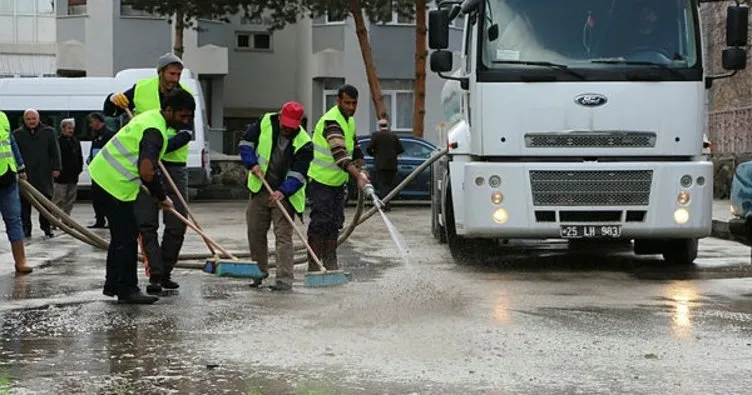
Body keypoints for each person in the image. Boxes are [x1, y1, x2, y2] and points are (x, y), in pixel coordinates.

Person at [88, 89, 195, 304]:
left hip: (108, 177)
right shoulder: (155, 130)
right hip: (112, 182)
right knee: (127, 237)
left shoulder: (152, 118)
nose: (185, 122)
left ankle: (113, 284)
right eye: (182, 116)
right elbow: (147, 170)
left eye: (188, 117)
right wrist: (161, 196)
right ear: (169, 110)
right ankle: (127, 289)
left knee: (121, 236)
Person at [104, 52, 193, 294]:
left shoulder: (185, 96)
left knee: (177, 222)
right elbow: (110, 110)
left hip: (173, 165)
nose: (175, 79)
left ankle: (166, 270)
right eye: (172, 73)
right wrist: (114, 100)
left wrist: (162, 147)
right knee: (146, 223)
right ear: (161, 72)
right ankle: (155, 274)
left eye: (178, 74)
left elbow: (186, 133)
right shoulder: (141, 89)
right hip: (144, 166)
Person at [239, 101, 313, 291]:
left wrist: (283, 191)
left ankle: (284, 279)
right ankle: (258, 272)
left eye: (292, 127)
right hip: (259, 188)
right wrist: (251, 163)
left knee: (283, 238)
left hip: (285, 195)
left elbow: (299, 173)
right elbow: (246, 143)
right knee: (255, 232)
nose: (287, 130)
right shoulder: (265, 122)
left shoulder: (304, 143)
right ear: (280, 117)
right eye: (285, 125)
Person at [307, 84, 369, 272]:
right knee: (320, 222)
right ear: (338, 101)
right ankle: (315, 266)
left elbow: (355, 147)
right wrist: (357, 176)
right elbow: (340, 155)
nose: (351, 107)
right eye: (347, 103)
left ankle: (331, 264)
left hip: (336, 183)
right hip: (320, 182)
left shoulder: (348, 121)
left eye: (354, 103)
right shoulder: (331, 121)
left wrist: (362, 168)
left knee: (335, 223)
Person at [13, 108, 61, 238]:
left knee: (45, 203)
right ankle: (26, 229)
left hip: (44, 174)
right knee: (24, 205)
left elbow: (55, 151)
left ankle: (46, 227)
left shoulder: (49, 132)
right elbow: (14, 154)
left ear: (38, 118)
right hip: (25, 175)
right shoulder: (17, 134)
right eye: (28, 119)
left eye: (33, 118)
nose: (31, 121)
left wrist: (57, 167)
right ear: (24, 120)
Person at [0, 111, 33, 275]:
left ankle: (20, 261)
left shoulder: (2, 117)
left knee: (14, 219)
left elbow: (11, 143)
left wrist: (20, 167)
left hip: (7, 177)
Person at [366, 117, 404, 211]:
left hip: (380, 164)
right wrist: (393, 155)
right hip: (392, 164)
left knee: (382, 185)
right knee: (389, 184)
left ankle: (385, 205)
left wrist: (375, 155)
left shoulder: (376, 135)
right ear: (388, 125)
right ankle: (387, 203)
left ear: (379, 126)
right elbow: (401, 149)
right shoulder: (393, 136)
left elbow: (368, 148)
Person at [86, 112, 116, 228]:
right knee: (96, 197)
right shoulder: (96, 135)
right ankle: (99, 220)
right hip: (97, 172)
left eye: (91, 122)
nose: (90, 125)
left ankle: (111, 220)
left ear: (98, 121)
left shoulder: (109, 134)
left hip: (106, 172)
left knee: (107, 197)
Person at [52, 118, 83, 216]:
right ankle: (54, 220)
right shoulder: (57, 141)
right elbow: (54, 157)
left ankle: (67, 220)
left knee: (70, 200)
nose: (71, 130)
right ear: (62, 128)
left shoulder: (75, 141)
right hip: (61, 177)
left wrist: (79, 169)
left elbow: (79, 157)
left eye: (72, 128)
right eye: (69, 128)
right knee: (58, 200)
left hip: (73, 176)